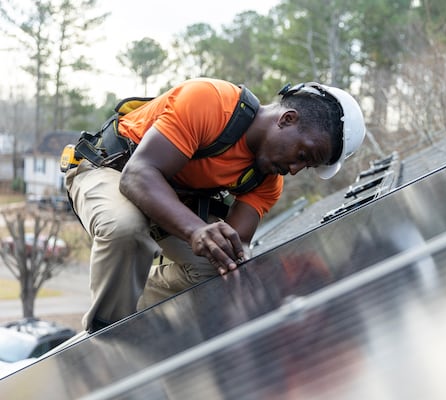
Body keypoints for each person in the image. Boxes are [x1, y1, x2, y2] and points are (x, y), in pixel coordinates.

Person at [64, 78, 366, 333]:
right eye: (303, 155)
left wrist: (258, 294)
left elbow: (231, 255)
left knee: (214, 268)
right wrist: (196, 230)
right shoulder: (210, 102)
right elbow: (138, 176)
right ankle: (106, 335)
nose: (296, 170)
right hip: (111, 169)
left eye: (307, 167)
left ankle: (136, 309)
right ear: (287, 119)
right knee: (125, 228)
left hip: (165, 199)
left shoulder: (267, 182)